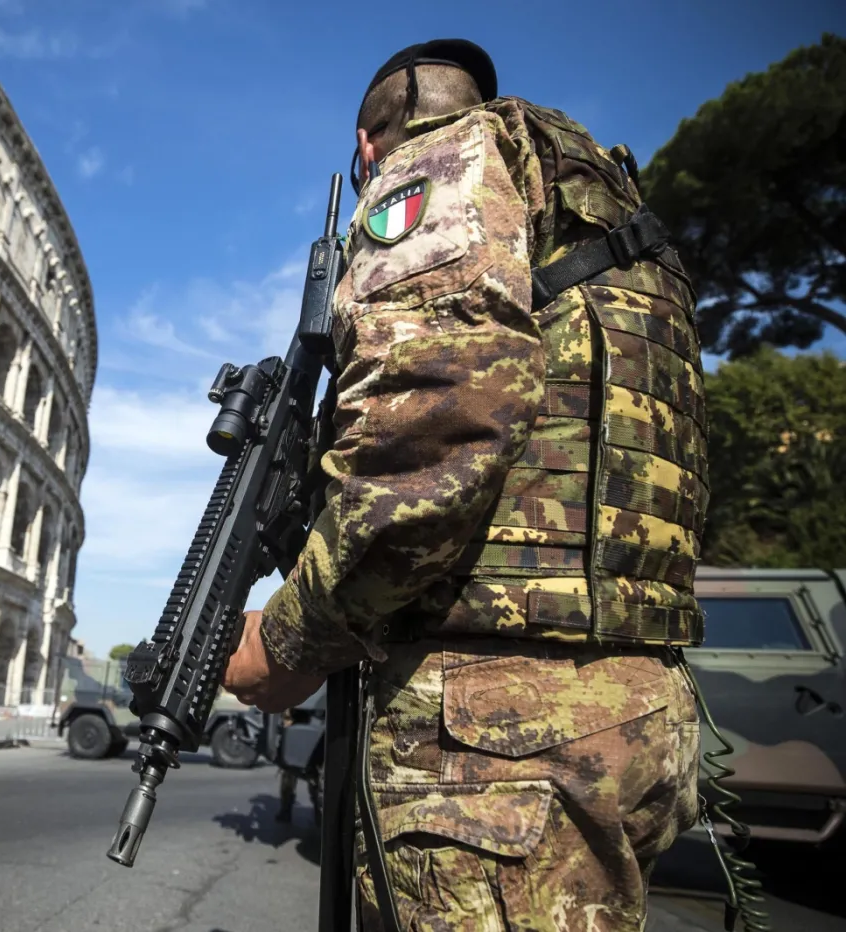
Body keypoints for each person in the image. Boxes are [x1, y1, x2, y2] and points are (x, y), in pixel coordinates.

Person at [224, 39, 705, 930]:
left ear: (367, 148)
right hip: (627, 702)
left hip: (496, 729)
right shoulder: (603, 212)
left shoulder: (442, 162)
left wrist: (288, 644)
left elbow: (433, 426)